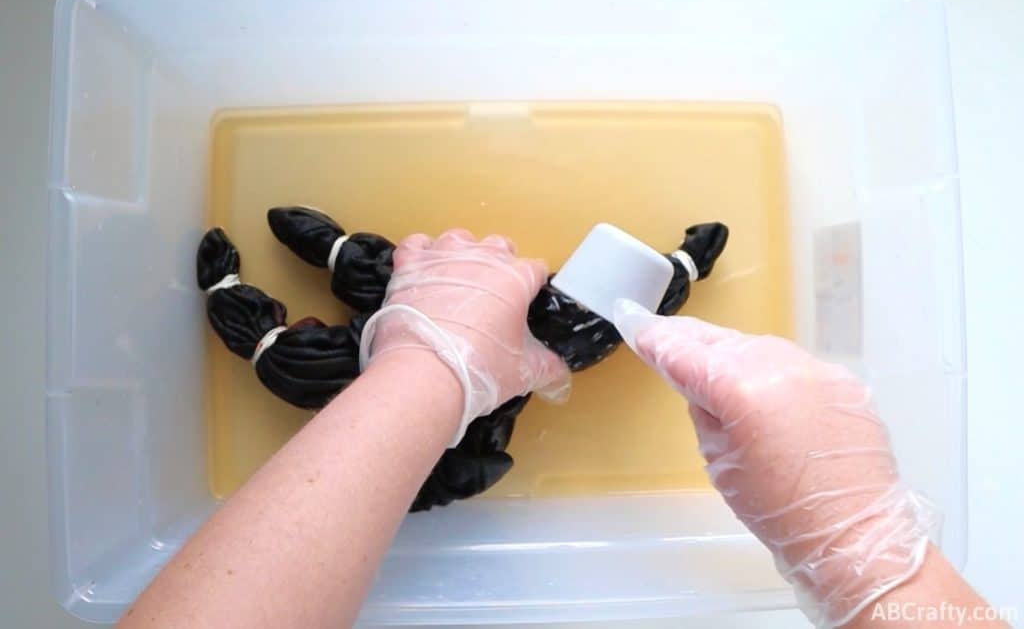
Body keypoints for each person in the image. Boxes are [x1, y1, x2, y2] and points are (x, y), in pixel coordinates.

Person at [120, 230, 1005, 629]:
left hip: (447, 425)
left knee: (459, 454)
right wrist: (885, 571)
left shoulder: (550, 342)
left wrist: (425, 369)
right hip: (426, 410)